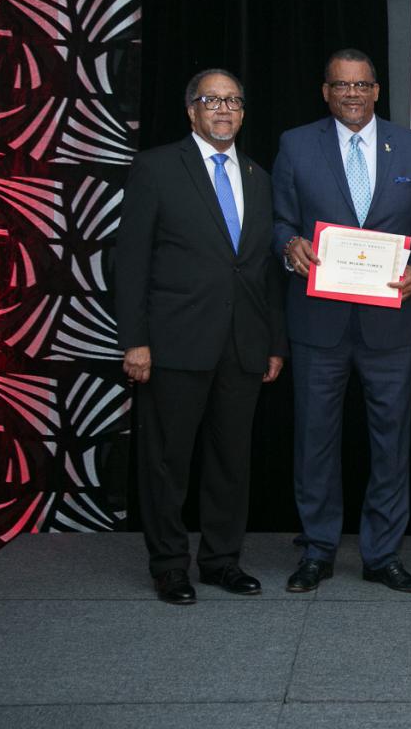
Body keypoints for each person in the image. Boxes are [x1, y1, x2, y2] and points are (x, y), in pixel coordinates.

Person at [274, 49, 411, 594]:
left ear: (376, 91)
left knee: (391, 443)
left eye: (362, 85)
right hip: (318, 322)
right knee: (315, 440)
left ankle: (383, 554)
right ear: (326, 92)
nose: (352, 94)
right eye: (341, 85)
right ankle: (317, 550)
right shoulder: (296, 144)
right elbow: (279, 221)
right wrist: (289, 245)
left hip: (390, 323)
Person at [116, 68, 286, 604]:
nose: (224, 109)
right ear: (191, 110)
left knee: (231, 462)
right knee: (167, 462)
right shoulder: (156, 167)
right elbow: (130, 261)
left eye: (233, 100)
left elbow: (262, 271)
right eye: (212, 100)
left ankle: (221, 561)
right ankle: (170, 565)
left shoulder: (259, 176)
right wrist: (134, 339)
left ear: (243, 112)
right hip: (174, 343)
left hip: (243, 344)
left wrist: (274, 342)